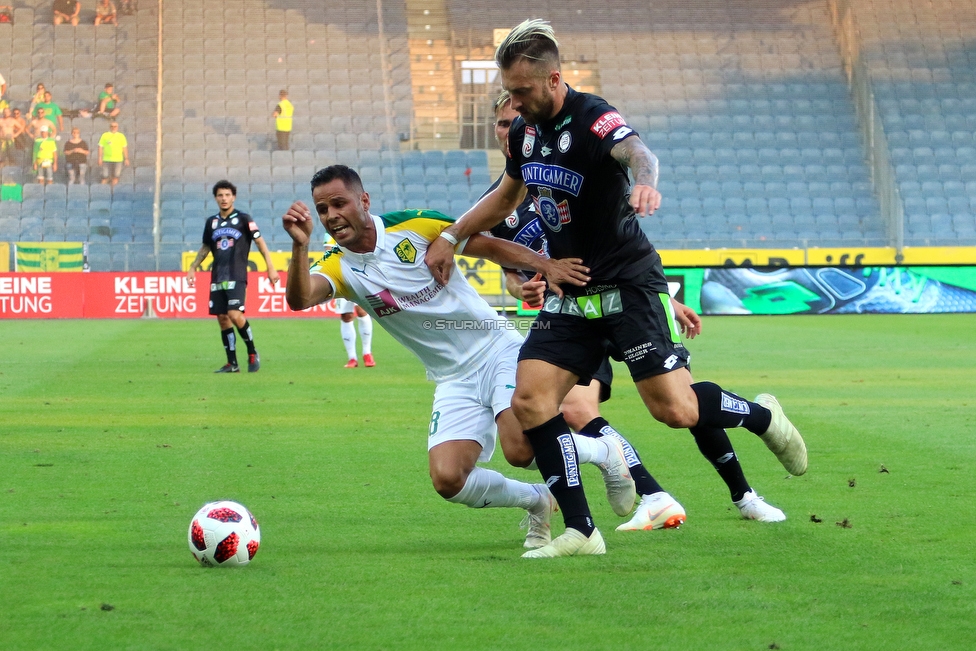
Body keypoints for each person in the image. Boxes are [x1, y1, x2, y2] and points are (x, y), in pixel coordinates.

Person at [426, 20, 807, 557]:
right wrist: (452, 233)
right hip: (573, 294)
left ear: (554, 78)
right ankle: (582, 532)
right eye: (508, 91)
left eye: (521, 91)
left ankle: (763, 418)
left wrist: (647, 181)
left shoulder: (592, 116)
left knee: (674, 410)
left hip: (627, 286)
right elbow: (507, 198)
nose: (512, 102)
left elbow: (637, 153)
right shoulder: (523, 133)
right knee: (531, 401)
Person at [284, 165, 626, 553]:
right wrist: (299, 246)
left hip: (496, 350)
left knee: (522, 450)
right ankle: (536, 499)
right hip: (451, 377)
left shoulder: (414, 225)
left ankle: (603, 452)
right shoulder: (336, 262)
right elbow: (300, 299)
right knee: (449, 479)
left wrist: (545, 266)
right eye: (322, 209)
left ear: (363, 200)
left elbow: (490, 246)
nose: (331, 216)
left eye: (339, 203)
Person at [488, 90, 692, 530]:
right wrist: (523, 286)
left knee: (586, 412)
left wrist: (667, 302)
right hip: (566, 310)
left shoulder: (569, 163)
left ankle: (631, 502)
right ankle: (643, 496)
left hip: (605, 300)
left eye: (515, 121)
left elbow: (615, 229)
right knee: (521, 442)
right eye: (503, 125)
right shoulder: (502, 200)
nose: (511, 130)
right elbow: (510, 271)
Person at [186, 180, 279, 373]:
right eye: (220, 195)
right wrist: (193, 266)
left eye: (227, 195)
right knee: (222, 318)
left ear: (233, 197)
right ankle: (232, 363)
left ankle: (252, 352)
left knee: (235, 314)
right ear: (215, 198)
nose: (224, 199)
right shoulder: (211, 222)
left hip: (236, 275)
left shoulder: (244, 219)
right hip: (217, 277)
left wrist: (271, 268)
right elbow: (205, 247)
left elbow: (260, 243)